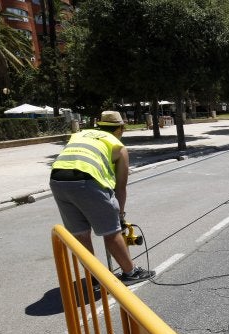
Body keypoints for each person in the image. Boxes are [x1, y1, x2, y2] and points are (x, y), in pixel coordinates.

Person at [50, 111, 155, 286]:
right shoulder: (117, 146)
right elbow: (120, 187)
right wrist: (119, 215)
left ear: (99, 125)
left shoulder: (80, 134)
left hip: (58, 180)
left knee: (81, 234)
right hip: (87, 181)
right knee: (111, 232)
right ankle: (131, 272)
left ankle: (94, 276)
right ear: (121, 129)